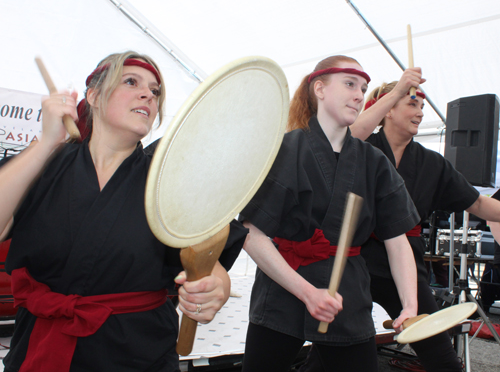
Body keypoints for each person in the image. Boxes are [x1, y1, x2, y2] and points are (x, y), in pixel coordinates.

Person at [0, 51, 247, 372]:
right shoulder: (43, 165)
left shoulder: (169, 182)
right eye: (131, 82)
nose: (148, 94)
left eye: (155, 91)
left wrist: (217, 289)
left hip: (137, 352)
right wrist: (47, 142)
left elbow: (205, 258)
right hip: (43, 345)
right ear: (94, 96)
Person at [238, 55, 419, 372]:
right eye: (350, 84)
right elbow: (252, 234)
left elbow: (397, 240)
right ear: (319, 88)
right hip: (283, 288)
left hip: (347, 293)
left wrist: (410, 305)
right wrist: (307, 293)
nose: (359, 95)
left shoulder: (373, 161)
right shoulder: (284, 149)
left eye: (363, 88)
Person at [346, 70, 500, 372]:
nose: (419, 113)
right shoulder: (359, 148)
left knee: (438, 351)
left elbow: (478, 203)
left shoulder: (433, 163)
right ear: (388, 108)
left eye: (422, 109)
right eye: (412, 104)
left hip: (405, 265)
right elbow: (341, 137)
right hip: (356, 261)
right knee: (340, 348)